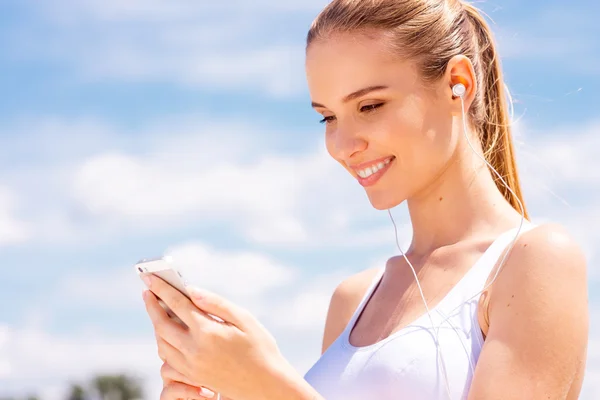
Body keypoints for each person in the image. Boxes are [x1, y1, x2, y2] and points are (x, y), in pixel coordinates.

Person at [141, 0, 589, 399]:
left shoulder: (535, 261)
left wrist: (268, 388)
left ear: (458, 83)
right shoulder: (351, 300)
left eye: (369, 106)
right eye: (328, 117)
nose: (342, 144)